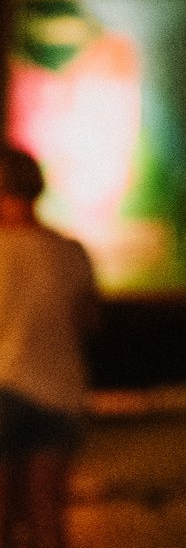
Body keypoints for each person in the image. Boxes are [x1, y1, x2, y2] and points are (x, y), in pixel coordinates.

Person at [0, 146, 96, 548]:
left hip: (4, 386)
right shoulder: (71, 252)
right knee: (48, 517)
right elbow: (88, 323)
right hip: (60, 392)